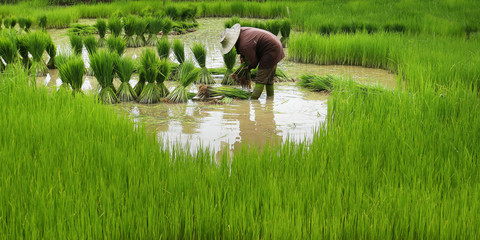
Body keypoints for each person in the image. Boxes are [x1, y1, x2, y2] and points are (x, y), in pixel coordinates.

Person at [219, 24, 285, 99]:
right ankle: (270, 100)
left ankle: (254, 100)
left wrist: (249, 67)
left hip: (270, 50)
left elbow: (254, 61)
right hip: (275, 44)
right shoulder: (242, 31)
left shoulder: (244, 45)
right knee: (269, 79)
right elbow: (251, 47)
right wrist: (242, 56)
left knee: (260, 80)